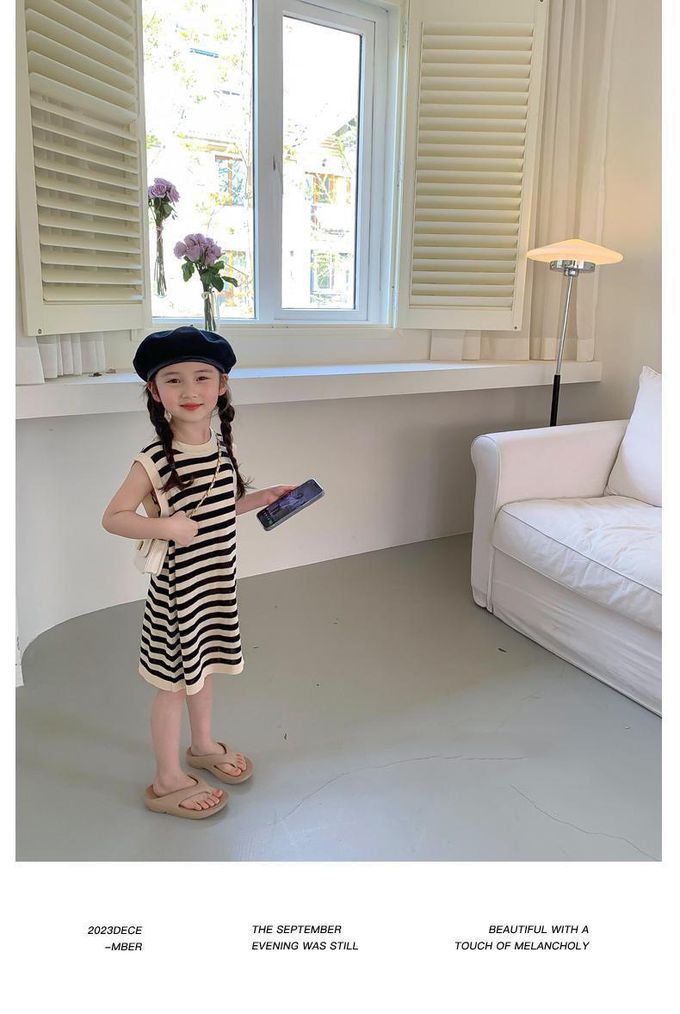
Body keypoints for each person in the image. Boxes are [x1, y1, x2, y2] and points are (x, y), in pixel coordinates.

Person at [102, 325, 296, 819]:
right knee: (172, 687)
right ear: (155, 391)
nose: (190, 390)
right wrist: (165, 526)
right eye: (174, 380)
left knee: (204, 671)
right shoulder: (152, 461)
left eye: (202, 377)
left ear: (222, 385)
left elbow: (220, 509)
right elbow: (114, 517)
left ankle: (203, 746)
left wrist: (261, 497)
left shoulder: (218, 445)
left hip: (214, 588)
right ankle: (166, 779)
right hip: (177, 597)